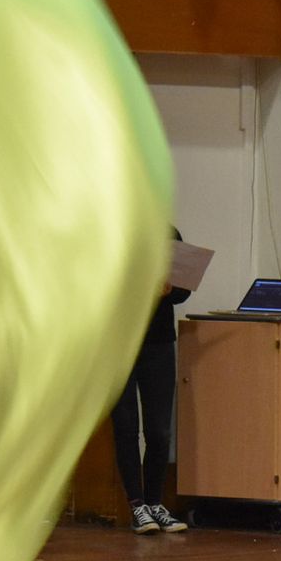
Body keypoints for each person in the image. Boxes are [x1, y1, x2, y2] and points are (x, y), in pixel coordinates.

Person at [111, 226, 191, 535]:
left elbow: (183, 290)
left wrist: (170, 289)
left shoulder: (168, 234)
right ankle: (137, 505)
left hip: (158, 342)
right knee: (126, 425)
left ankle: (156, 502)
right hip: (118, 343)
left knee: (159, 430)